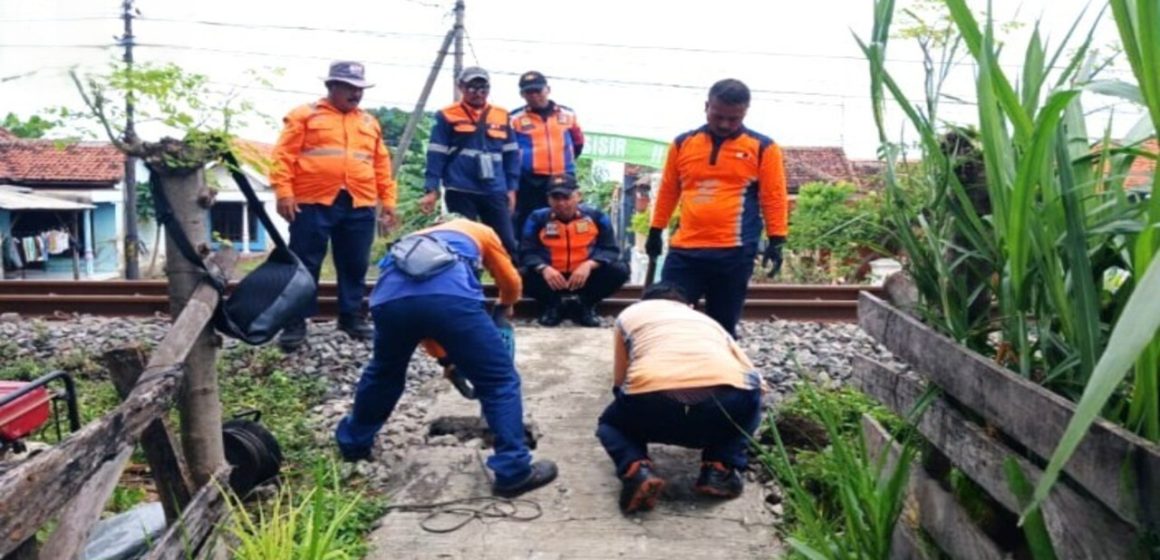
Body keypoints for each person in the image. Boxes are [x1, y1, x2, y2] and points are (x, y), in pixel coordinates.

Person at [334, 217, 558, 497]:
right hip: (451, 300)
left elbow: (422, 316)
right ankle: (513, 471)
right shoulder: (481, 230)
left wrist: (446, 360)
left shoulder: (415, 236)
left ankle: (354, 443)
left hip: (388, 301)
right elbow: (510, 280)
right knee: (499, 380)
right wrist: (505, 304)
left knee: (384, 374)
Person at [595, 281, 765, 514]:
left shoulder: (630, 314)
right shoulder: (709, 322)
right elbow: (755, 379)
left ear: (644, 302)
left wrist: (626, 411)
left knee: (609, 425)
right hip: (723, 398)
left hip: (654, 395)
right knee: (749, 404)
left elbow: (620, 378)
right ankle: (719, 468)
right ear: (690, 306)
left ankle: (637, 469)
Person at [646, 78, 789, 338]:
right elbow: (669, 190)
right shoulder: (682, 144)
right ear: (706, 106)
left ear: (745, 112)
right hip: (685, 250)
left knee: (721, 327)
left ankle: (719, 377)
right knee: (665, 316)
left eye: (733, 119)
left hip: (734, 253)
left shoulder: (763, 148)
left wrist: (777, 239)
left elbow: (774, 197)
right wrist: (656, 230)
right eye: (718, 115)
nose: (724, 124)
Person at [270, 60, 397, 352]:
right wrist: (283, 192)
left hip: (359, 200)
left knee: (354, 263)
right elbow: (283, 156)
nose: (356, 94)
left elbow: (381, 164)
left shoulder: (368, 122)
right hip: (312, 201)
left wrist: (387, 200)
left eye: (360, 89)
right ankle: (295, 322)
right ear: (331, 87)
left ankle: (351, 317)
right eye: (350, 88)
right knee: (305, 263)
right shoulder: (305, 115)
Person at [420, 67, 521, 256]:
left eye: (483, 88)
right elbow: (436, 153)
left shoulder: (502, 115)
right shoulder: (446, 115)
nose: (478, 93)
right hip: (460, 190)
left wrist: (511, 189)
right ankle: (468, 284)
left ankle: (512, 285)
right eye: (472, 87)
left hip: (494, 190)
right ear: (461, 87)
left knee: (507, 244)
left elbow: (511, 155)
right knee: (465, 244)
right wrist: (431, 189)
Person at [519, 175, 627, 327]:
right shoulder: (537, 218)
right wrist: (543, 268)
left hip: (585, 277)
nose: (562, 203)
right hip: (551, 278)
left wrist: (590, 265)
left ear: (578, 196)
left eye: (567, 197)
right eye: (556, 198)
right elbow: (526, 251)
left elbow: (610, 250)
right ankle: (553, 305)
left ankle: (586, 304)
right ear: (548, 199)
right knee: (518, 274)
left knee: (620, 270)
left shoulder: (597, 217)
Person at [509, 71, 585, 236]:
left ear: (547, 89)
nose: (535, 96)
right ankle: (526, 258)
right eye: (529, 92)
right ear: (522, 94)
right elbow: (508, 151)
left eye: (538, 90)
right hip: (529, 181)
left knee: (563, 221)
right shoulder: (514, 118)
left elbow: (578, 143)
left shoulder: (568, 114)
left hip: (563, 179)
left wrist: (564, 162)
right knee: (527, 222)